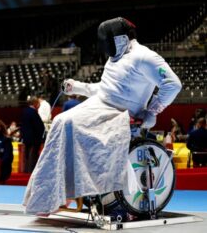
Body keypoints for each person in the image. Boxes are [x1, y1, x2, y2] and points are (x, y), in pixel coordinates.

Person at [23, 17, 182, 215]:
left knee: (68, 122)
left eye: (108, 42)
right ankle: (56, 194)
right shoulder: (115, 58)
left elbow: (173, 84)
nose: (105, 48)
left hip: (119, 113)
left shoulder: (145, 57)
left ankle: (67, 193)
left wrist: (152, 110)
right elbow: (107, 89)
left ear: (121, 39)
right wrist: (79, 87)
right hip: (100, 105)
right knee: (60, 121)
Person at [20, 96, 45, 173]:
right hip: (34, 139)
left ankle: (26, 170)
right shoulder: (33, 112)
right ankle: (31, 172)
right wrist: (42, 138)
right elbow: (39, 126)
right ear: (34, 103)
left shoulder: (25, 111)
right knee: (33, 156)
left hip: (26, 138)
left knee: (27, 156)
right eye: (38, 103)